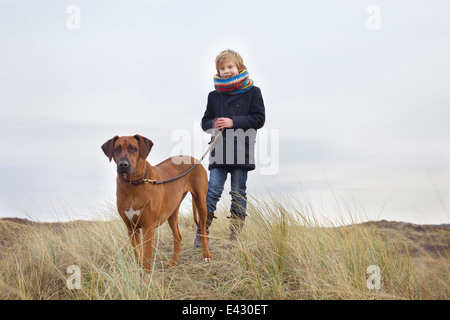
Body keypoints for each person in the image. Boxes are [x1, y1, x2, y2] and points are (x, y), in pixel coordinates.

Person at [194, 49, 265, 247]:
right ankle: (202, 233)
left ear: (240, 68)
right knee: (213, 190)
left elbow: (259, 119)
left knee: (238, 192)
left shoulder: (253, 92)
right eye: (222, 68)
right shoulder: (213, 96)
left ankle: (235, 237)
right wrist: (214, 122)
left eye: (230, 67)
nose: (226, 71)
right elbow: (205, 122)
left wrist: (233, 121)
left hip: (242, 149)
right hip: (219, 149)